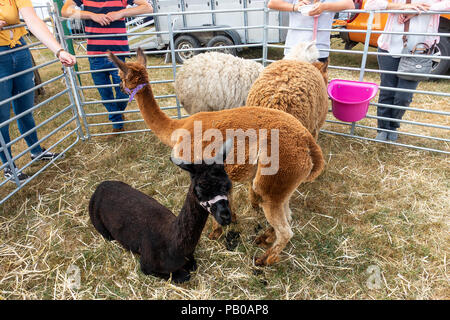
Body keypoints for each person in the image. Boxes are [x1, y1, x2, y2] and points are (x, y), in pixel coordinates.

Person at [0, 0, 76, 183]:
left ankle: (35, 151)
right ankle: (8, 165)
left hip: (20, 50)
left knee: (25, 108)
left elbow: (32, 20)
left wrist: (58, 51)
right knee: (1, 116)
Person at [61, 0, 153, 133]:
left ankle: (117, 114)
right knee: (105, 94)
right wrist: (92, 15)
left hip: (118, 56)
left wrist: (120, 13)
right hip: (95, 55)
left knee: (124, 93)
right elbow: (65, 11)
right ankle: (117, 124)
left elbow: (147, 8)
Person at [365, 0, 450, 142]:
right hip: (390, 46)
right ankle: (383, 128)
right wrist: (402, 7)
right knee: (387, 90)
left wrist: (419, 10)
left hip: (419, 51)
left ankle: (393, 125)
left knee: (404, 96)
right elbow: (370, 5)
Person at [268, 0, 355, 62]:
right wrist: (295, 7)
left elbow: (350, 4)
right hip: (294, 51)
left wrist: (325, 7)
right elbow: (272, 3)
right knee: (292, 83)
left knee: (317, 84)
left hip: (320, 51)